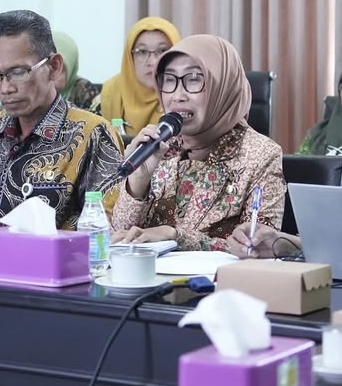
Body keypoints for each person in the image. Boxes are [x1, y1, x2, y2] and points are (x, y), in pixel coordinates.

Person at [0, 10, 123, 229]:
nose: (5, 88)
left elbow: (105, 231)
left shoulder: (93, 134)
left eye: (18, 73)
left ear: (54, 66)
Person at [110, 35, 285, 252]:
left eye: (193, 79)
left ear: (222, 86)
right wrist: (137, 184)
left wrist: (175, 237)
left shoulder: (262, 155)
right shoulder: (158, 145)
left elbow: (258, 248)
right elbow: (118, 239)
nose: (177, 96)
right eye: (169, 80)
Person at [99, 16, 182, 134]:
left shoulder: (187, 98)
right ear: (129, 57)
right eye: (142, 52)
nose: (152, 62)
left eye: (162, 51)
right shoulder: (110, 93)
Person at [52, 31, 101, 111]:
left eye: (59, 69)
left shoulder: (85, 90)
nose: (51, 76)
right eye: (48, 68)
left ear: (70, 70)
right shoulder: (36, 90)